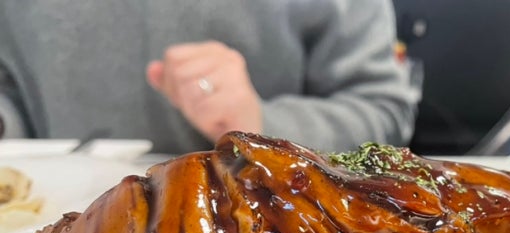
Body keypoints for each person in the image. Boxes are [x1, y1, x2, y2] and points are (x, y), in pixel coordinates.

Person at [0, 0, 418, 154]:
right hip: (39, 229)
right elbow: (10, 88)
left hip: (269, 232)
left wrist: (262, 124)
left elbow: (382, 110)